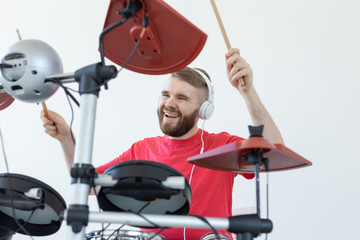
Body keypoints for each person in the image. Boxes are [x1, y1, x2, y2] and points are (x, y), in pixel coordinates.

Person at [41, 48, 284, 239]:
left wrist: (248, 91)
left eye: (182, 98)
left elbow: (275, 150)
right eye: (166, 94)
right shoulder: (142, 149)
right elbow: (90, 185)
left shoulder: (221, 144)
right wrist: (65, 139)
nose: (169, 103)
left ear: (204, 111)